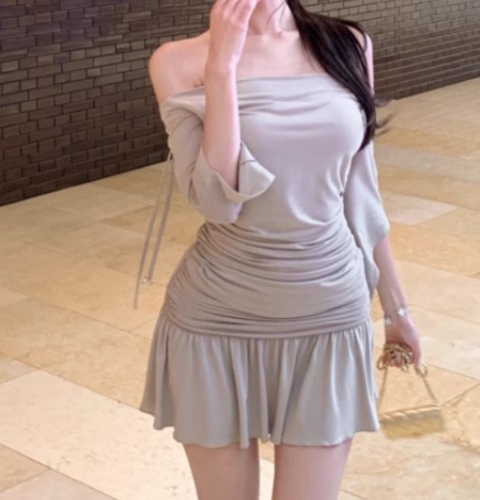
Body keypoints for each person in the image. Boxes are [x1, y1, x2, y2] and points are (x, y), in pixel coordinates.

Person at [139, 1, 422, 499]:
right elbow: (217, 202)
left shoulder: (346, 44)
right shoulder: (178, 61)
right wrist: (222, 65)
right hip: (217, 319)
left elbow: (362, 190)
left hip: (329, 315)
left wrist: (396, 309)